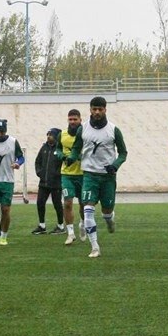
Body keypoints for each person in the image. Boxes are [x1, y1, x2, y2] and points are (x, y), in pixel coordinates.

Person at [64, 96, 128, 258]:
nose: (97, 112)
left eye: (100, 109)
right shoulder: (83, 129)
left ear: (105, 109)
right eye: (94, 109)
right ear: (90, 110)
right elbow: (76, 148)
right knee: (87, 211)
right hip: (89, 176)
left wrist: (115, 165)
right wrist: (71, 157)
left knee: (106, 212)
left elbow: (123, 153)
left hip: (107, 177)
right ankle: (95, 247)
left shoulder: (113, 130)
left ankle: (109, 219)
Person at [55, 109, 86, 246]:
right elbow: (57, 149)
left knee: (83, 204)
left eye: (75, 119)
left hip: (83, 174)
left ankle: (83, 224)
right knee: (67, 203)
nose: (72, 122)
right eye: (70, 119)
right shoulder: (62, 134)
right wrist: (61, 156)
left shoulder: (86, 134)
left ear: (80, 120)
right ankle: (70, 233)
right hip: (67, 174)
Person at [32, 128, 65, 236]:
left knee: (57, 204)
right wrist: (39, 172)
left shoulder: (60, 149)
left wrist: (58, 174)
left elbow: (64, 164)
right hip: (43, 182)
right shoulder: (44, 148)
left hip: (56, 183)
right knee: (40, 203)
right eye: (48, 134)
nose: (48, 137)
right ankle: (42, 226)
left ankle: (60, 226)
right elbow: (38, 161)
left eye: (51, 135)